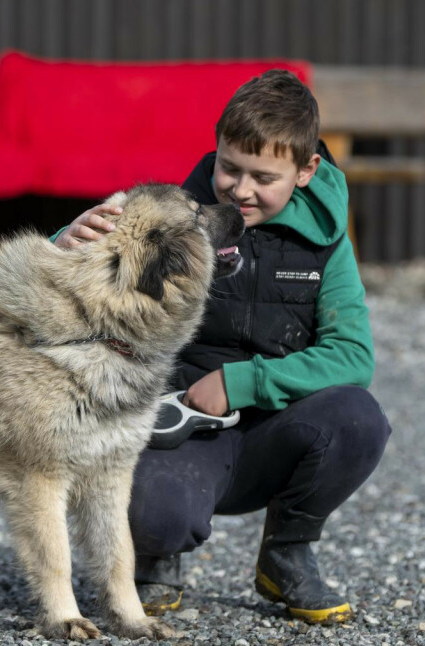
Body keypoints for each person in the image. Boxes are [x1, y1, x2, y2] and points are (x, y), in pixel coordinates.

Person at [53, 70, 391, 624]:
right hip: (178, 429)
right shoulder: (171, 219)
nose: (239, 189)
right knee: (153, 515)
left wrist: (242, 383)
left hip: (274, 429)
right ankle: (154, 557)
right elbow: (74, 296)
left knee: (359, 419)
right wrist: (63, 243)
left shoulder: (328, 244)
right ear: (215, 146)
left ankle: (287, 553)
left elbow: (354, 357)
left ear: (306, 171)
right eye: (228, 167)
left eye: (264, 177)